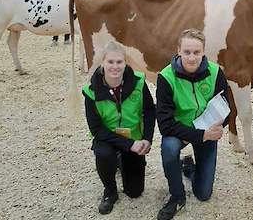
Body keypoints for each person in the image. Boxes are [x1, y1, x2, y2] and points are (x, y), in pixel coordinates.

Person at [156, 29, 229, 220]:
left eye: (197, 52)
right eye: (187, 52)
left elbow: (226, 106)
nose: (191, 57)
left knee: (204, 194)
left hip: (207, 128)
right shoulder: (166, 77)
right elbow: (165, 125)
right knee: (169, 148)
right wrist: (200, 135)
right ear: (178, 50)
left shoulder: (215, 72)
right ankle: (177, 196)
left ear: (204, 52)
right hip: (180, 130)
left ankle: (188, 167)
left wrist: (220, 125)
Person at [82, 41, 155, 214]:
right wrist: (130, 145)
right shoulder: (91, 92)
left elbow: (150, 110)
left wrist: (147, 138)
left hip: (133, 137)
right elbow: (96, 129)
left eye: (119, 62)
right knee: (104, 154)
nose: (115, 67)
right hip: (107, 138)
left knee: (135, 192)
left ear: (125, 63)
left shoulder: (138, 82)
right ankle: (110, 191)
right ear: (102, 64)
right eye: (110, 62)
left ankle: (123, 161)